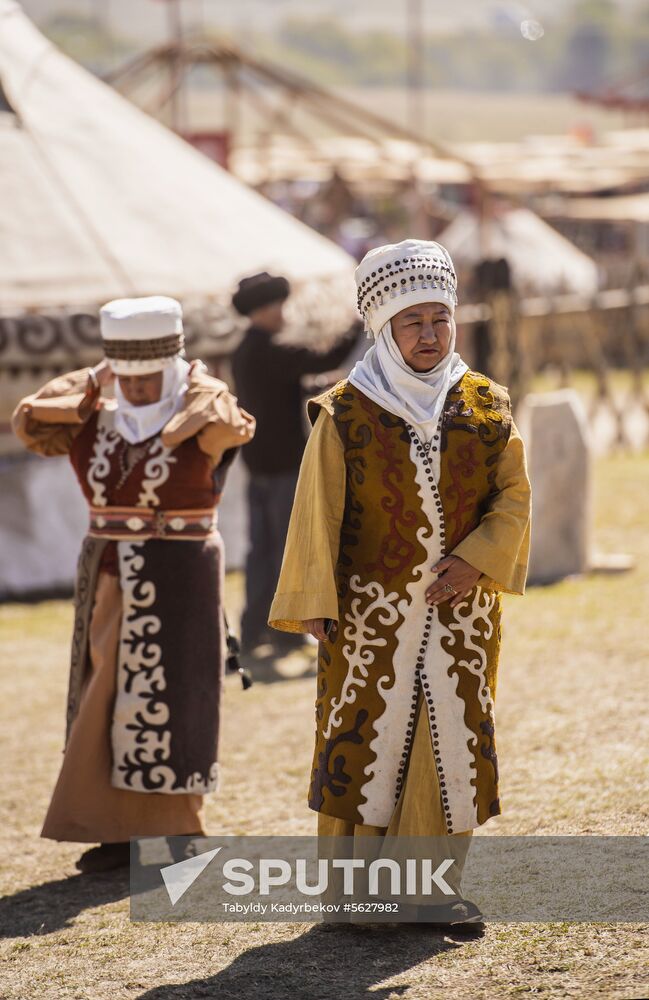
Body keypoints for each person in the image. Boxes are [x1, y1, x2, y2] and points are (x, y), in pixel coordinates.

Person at [269, 240, 532, 929]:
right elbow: (315, 510)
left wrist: (477, 559)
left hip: (461, 621)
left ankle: (431, 893)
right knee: (368, 742)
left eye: (439, 319)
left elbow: (511, 497)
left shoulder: (485, 403)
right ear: (383, 327)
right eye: (411, 322)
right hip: (368, 618)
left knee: (448, 747)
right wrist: (313, 601)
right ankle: (360, 902)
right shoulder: (346, 412)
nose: (428, 335)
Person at [12, 296, 255, 874]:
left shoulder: (205, 413)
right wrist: (97, 379)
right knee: (109, 693)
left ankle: (175, 830)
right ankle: (112, 830)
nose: (141, 389)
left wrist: (192, 380)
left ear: (173, 368)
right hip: (111, 570)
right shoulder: (91, 417)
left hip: (184, 571)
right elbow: (31, 420)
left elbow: (229, 424)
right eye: (129, 377)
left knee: (181, 697)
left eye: (152, 377)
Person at [231, 271, 359, 660]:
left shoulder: (245, 349)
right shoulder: (269, 348)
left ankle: (254, 631)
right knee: (285, 551)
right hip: (283, 463)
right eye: (276, 306)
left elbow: (285, 387)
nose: (283, 314)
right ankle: (283, 633)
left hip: (257, 462)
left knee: (261, 550)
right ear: (263, 310)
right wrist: (356, 324)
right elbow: (326, 357)